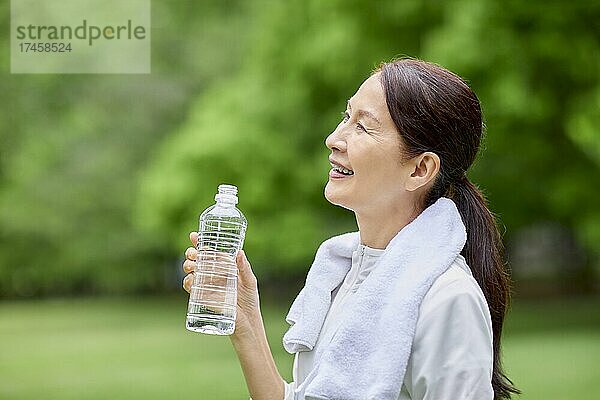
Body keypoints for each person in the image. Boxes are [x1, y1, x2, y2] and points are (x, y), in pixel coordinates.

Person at [182, 58, 520, 400]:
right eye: (347, 117)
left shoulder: (448, 298)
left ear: (419, 169)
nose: (334, 139)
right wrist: (247, 324)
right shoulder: (340, 276)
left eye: (363, 127)